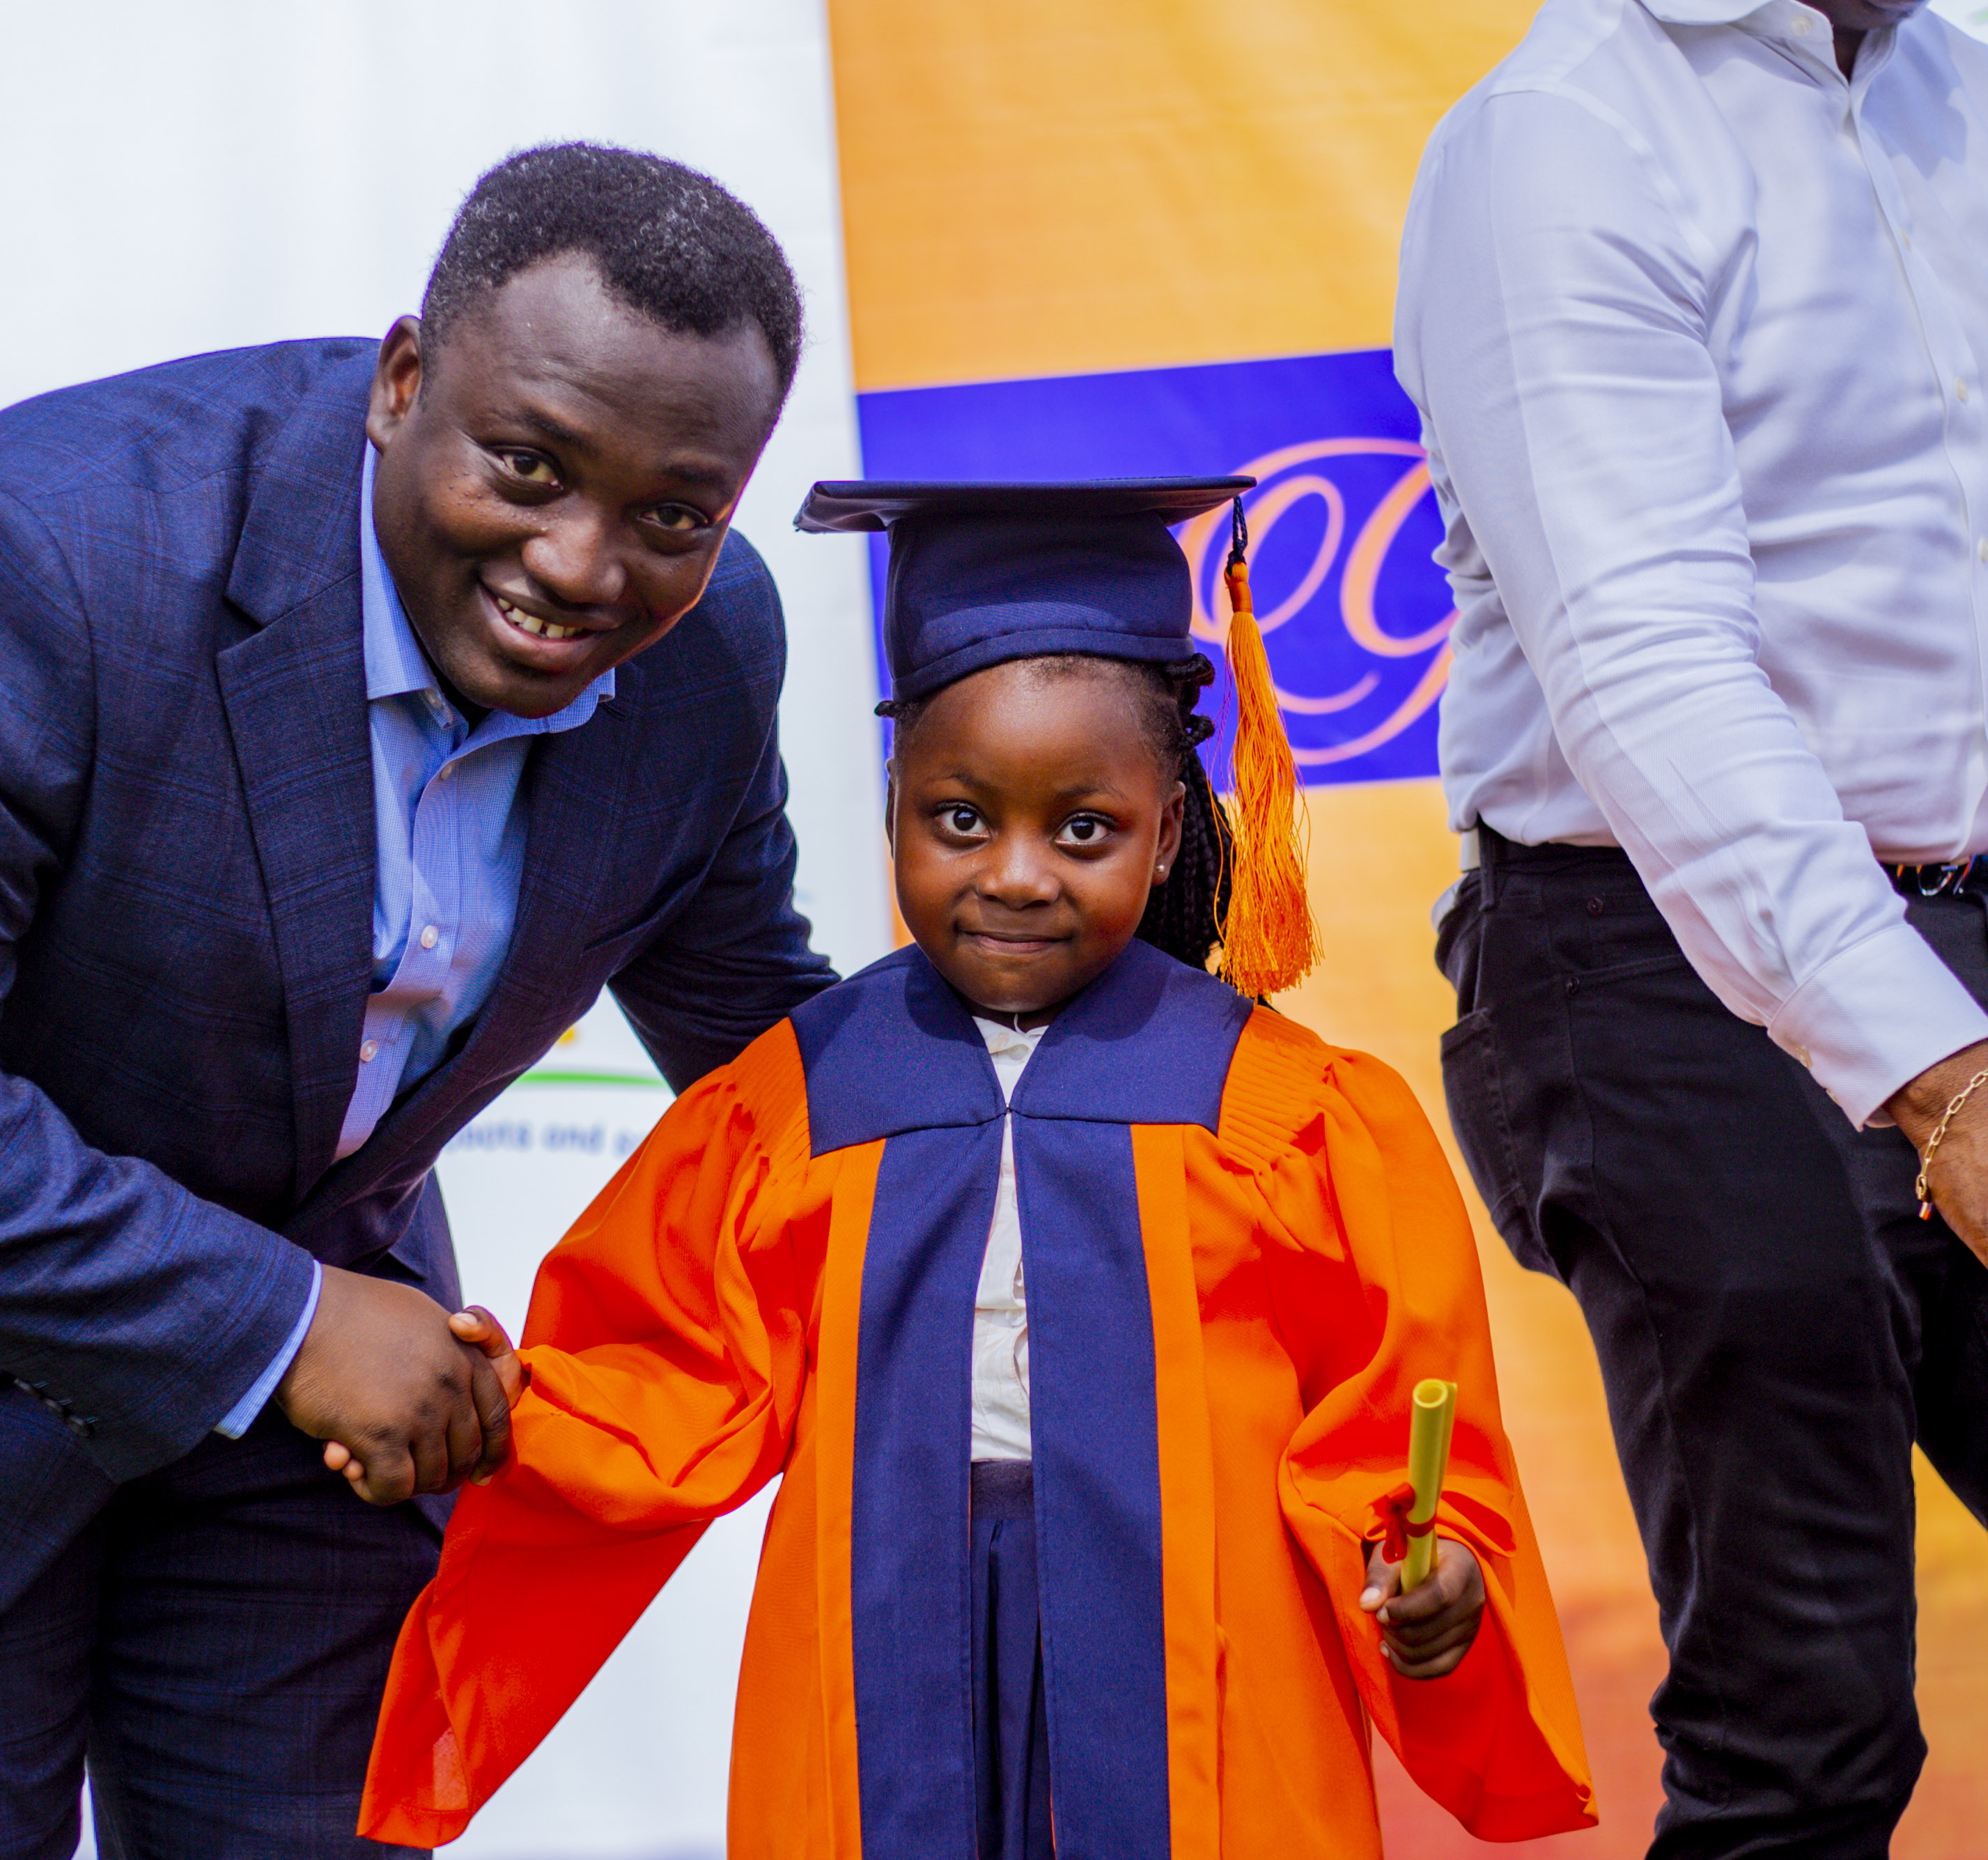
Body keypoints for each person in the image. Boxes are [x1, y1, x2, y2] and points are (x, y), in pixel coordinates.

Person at [0, 142, 836, 1859]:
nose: (584, 566)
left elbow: (760, 1038)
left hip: (303, 1370)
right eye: (526, 465)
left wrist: (1071, 1101)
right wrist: (287, 1326)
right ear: (401, 382)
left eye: (671, 515)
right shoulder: (42, 550)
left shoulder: (705, 657)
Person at [355, 481, 1596, 1859]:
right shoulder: (795, 1098)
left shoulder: (1290, 1107)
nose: (1014, 876)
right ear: (891, 803)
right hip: (883, 1636)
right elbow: (667, 1373)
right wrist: (506, 1404)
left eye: (1082, 830)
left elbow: (1397, 1421)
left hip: (1206, 1654)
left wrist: (1428, 1564)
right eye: (957, 819)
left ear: (1167, 833)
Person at [1397, 3, 1988, 1850]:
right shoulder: (1559, 137)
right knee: (1806, 1726)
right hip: (1648, 954)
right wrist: (1943, 1074)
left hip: (1956, 919)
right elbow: (1643, 662)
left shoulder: (1958, 78)